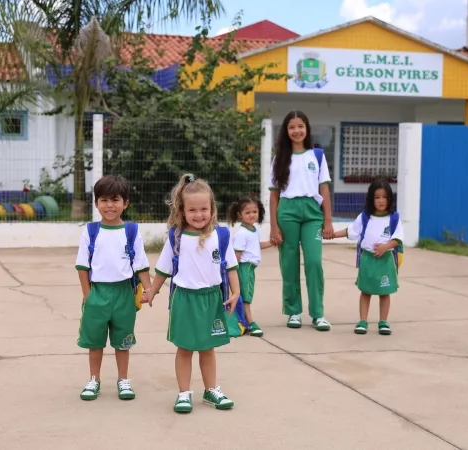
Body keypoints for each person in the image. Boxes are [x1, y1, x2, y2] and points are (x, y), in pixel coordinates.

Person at [143, 173, 240, 413]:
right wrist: (152, 291)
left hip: (212, 298)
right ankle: (184, 393)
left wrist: (236, 292)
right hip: (185, 299)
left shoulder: (221, 235)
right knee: (185, 348)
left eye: (204, 209)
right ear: (182, 211)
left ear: (212, 208)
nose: (199, 215)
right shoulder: (176, 237)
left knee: (208, 348)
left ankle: (211, 390)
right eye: (193, 210)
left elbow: (231, 267)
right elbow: (163, 269)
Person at [75, 175, 152, 401]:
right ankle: (94, 379)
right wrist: (87, 295)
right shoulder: (90, 231)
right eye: (104, 200)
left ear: (125, 203)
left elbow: (141, 263)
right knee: (95, 341)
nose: (110, 205)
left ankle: (123, 380)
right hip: (97, 293)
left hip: (124, 294)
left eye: (115, 200)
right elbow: (82, 266)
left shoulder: (132, 231)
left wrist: (148, 289)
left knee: (123, 341)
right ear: (96, 203)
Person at [269, 110, 334, 331]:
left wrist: (328, 221)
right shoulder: (280, 159)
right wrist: (273, 226)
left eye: (300, 126)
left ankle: (318, 314)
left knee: (314, 262)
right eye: (291, 127)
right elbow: (274, 194)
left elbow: (324, 188)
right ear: (286, 132)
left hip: (312, 212)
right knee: (289, 263)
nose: (297, 131)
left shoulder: (317, 155)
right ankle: (293, 311)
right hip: (287, 211)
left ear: (307, 128)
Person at [331, 179, 403, 336]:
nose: (381, 200)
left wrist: (385, 246)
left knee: (385, 292)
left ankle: (383, 321)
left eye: (384, 197)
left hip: (385, 260)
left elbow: (397, 239)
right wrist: (333, 235)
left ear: (390, 198)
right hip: (367, 260)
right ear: (371, 199)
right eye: (377, 197)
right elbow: (350, 231)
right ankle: (363, 321)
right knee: (366, 291)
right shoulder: (364, 217)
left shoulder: (394, 218)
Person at [227, 196, 273, 337]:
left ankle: (242, 322)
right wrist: (232, 272)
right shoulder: (242, 233)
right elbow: (237, 255)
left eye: (255, 211)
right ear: (240, 215)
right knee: (246, 296)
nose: (252, 215)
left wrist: (273, 243)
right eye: (248, 212)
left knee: (246, 295)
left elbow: (256, 246)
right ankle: (250, 323)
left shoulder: (253, 230)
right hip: (244, 268)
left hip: (250, 268)